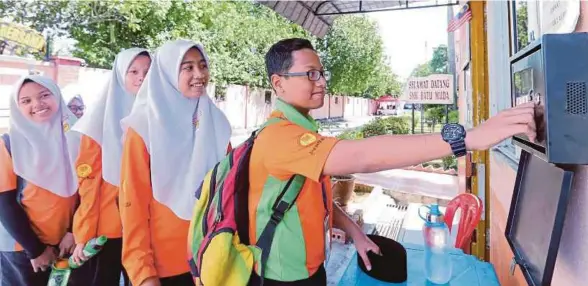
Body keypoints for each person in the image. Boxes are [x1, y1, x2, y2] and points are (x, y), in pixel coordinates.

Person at [246, 38, 537, 285]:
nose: (321, 82)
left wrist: (356, 233)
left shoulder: (301, 131)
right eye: (310, 74)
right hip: (282, 275)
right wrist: (467, 138)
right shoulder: (279, 137)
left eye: (322, 74)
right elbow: (363, 155)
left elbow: (313, 197)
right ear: (278, 83)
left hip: (311, 266)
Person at [119, 40, 232, 286]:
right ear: (168, 73)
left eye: (203, 66)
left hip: (212, 259)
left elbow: (229, 193)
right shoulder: (143, 128)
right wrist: (143, 273)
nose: (199, 75)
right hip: (163, 267)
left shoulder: (217, 123)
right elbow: (132, 204)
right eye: (187, 68)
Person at [68, 48, 151, 286]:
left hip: (146, 226)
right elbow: (89, 186)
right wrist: (83, 234)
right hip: (107, 230)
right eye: (133, 71)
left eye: (147, 71)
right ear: (119, 76)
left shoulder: (159, 114)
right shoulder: (98, 122)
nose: (141, 77)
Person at [0, 75, 79, 286]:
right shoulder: (8, 145)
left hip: (66, 243)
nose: (37, 104)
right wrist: (35, 249)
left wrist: (73, 231)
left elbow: (86, 192)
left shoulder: (75, 139)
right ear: (17, 107)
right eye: (26, 101)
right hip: (22, 247)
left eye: (44, 95)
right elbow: (4, 203)